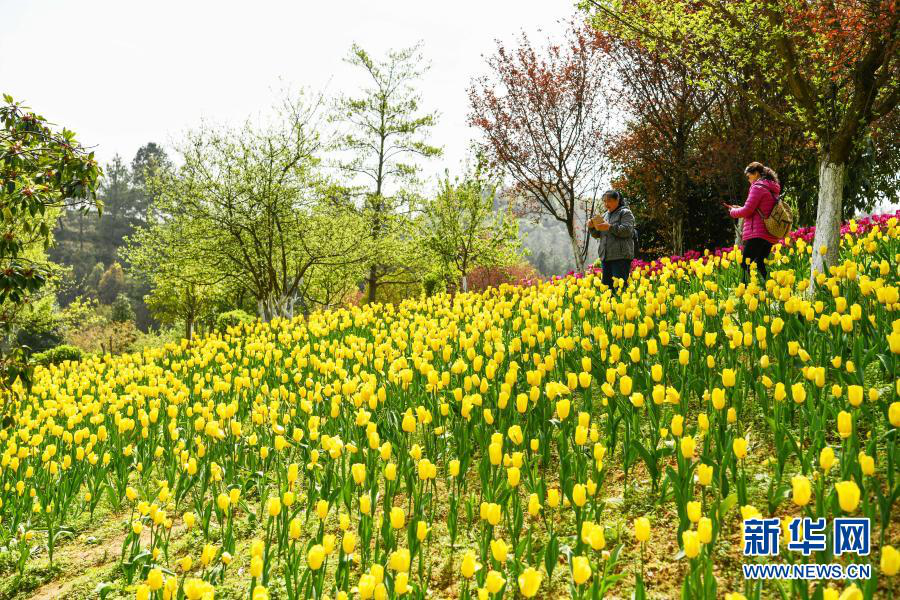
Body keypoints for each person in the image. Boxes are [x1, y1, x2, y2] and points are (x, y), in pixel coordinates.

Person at [724, 162, 780, 282]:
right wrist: (740, 208)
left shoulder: (757, 187)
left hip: (757, 233)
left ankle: (744, 293)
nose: (748, 179)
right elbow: (758, 209)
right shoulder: (771, 188)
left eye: (749, 176)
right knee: (760, 263)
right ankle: (769, 289)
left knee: (745, 264)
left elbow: (747, 211)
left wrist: (733, 211)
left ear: (756, 174)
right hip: (768, 233)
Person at [589, 190, 635, 293]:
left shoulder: (625, 213)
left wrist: (609, 227)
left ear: (617, 200)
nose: (606, 204)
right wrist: (591, 228)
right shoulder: (605, 215)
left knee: (620, 289)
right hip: (606, 257)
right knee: (606, 290)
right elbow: (598, 234)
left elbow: (627, 230)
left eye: (609, 201)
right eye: (604, 201)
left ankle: (621, 309)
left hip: (620, 257)